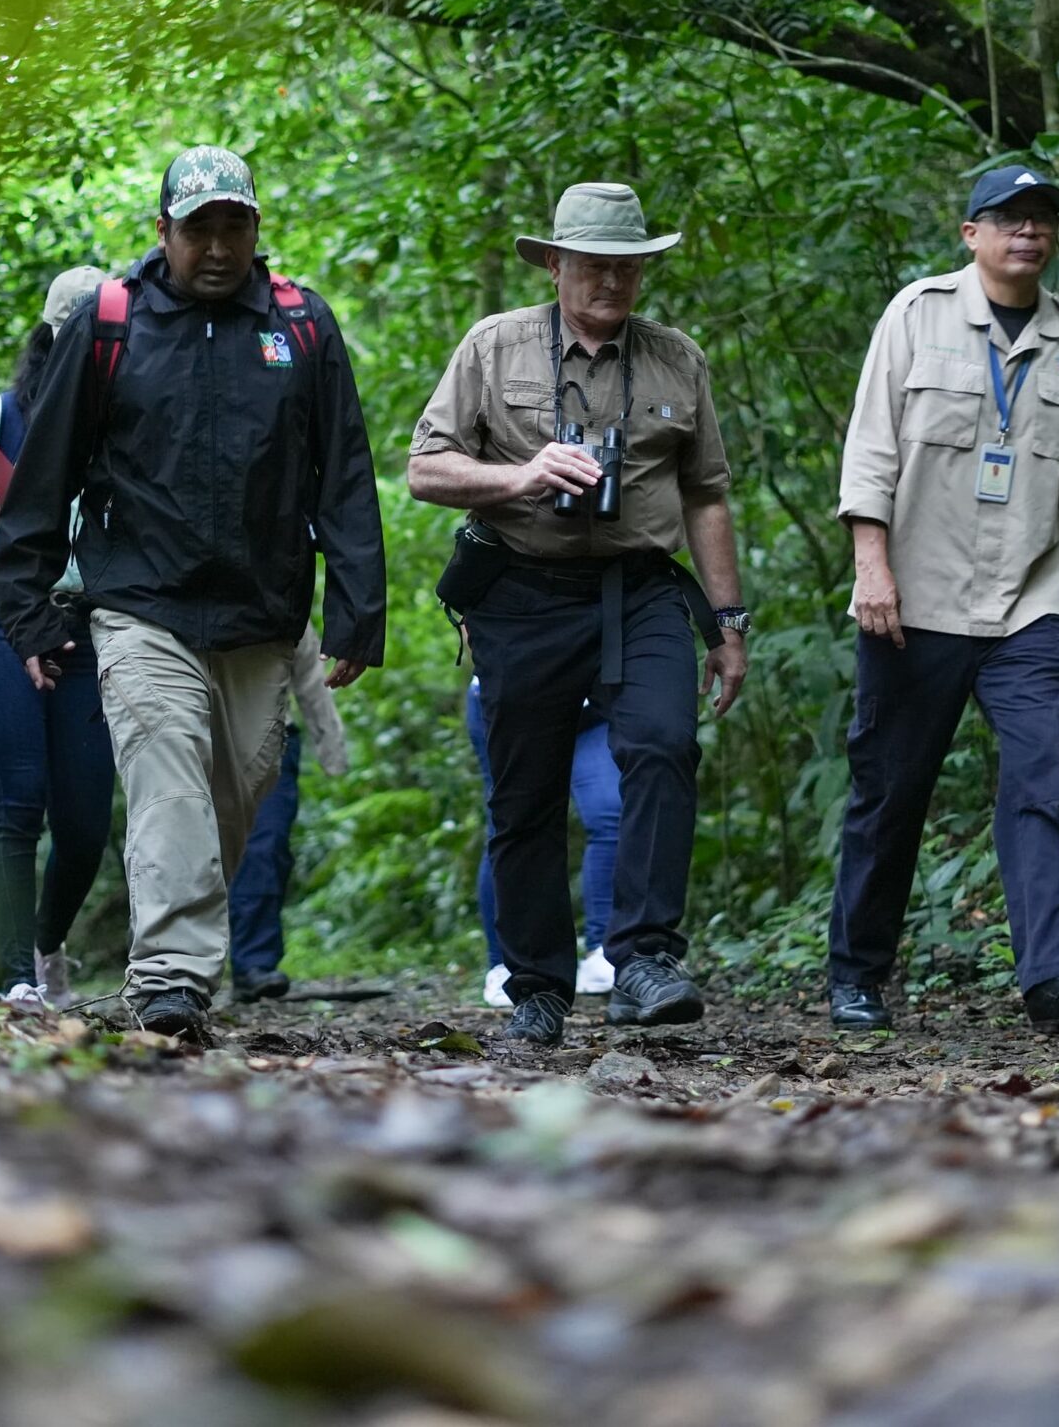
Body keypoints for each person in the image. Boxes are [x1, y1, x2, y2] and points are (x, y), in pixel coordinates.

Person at [0, 147, 386, 1039]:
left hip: (261, 612)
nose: (215, 246)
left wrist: (359, 607)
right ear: (161, 232)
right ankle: (170, 979)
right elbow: (44, 475)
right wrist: (26, 605)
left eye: (232, 226)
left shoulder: (304, 328)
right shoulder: (110, 325)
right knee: (168, 775)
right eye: (197, 227)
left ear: (256, 229)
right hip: (141, 603)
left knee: (234, 791)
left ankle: (179, 953)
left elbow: (346, 475)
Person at [408, 181, 749, 1048]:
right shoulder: (494, 347)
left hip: (642, 591)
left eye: (628, 265)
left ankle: (642, 956)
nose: (612, 279)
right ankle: (538, 985)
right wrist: (518, 477)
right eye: (594, 263)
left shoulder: (678, 357)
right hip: (522, 594)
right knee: (524, 795)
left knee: (664, 747)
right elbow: (426, 469)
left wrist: (728, 621)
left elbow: (707, 493)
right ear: (555, 262)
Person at [827, 163, 1059, 1037]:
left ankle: (1057, 979)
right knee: (890, 792)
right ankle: (856, 975)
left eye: (1041, 219)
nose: (1027, 232)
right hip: (914, 599)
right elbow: (872, 449)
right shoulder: (917, 314)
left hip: (1032, 604)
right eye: (1007, 218)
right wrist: (871, 566)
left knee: (1045, 774)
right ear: (971, 233)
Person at [0, 265, 118, 1012]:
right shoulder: (6, 414)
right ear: (52, 339)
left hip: (81, 632)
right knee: (19, 798)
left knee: (83, 825)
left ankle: (43, 946)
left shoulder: (125, 426)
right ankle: (13, 978)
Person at [465, 679, 620, 1005]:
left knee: (608, 810)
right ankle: (504, 965)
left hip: (587, 703)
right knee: (511, 823)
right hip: (513, 698)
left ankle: (602, 951)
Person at [224, 627, 350, 1000]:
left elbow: (312, 677)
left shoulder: (283, 598)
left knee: (265, 846)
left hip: (274, 735)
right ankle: (186, 962)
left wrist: (333, 751)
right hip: (200, 735)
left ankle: (254, 964)